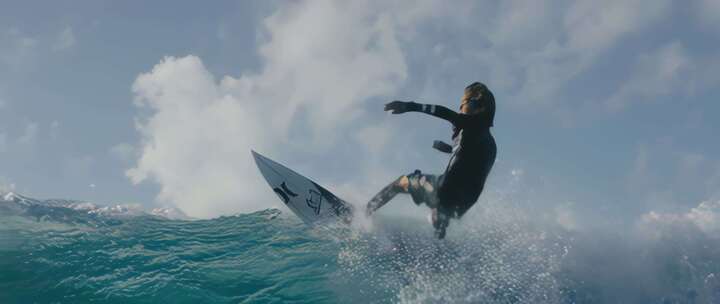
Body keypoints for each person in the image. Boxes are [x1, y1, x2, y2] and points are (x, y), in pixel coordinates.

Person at [365, 82, 497, 239]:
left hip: (442, 192)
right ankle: (441, 223)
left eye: (463, 104)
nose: (460, 109)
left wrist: (409, 106)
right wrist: (449, 149)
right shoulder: (489, 144)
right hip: (462, 206)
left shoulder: (471, 125)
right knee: (445, 205)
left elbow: (445, 113)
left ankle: (363, 212)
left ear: (478, 106)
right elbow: (470, 165)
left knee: (401, 182)